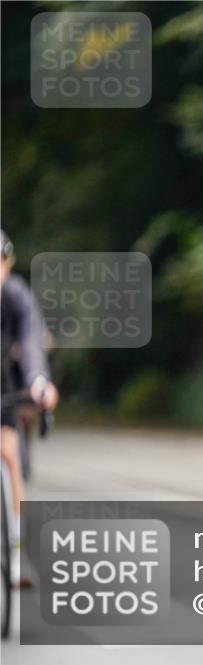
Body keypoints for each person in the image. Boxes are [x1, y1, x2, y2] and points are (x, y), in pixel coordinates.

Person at [0, 230, 59, 587]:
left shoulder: (16, 295)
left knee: (10, 449)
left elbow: (30, 339)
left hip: (5, 384)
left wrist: (39, 381)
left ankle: (18, 553)